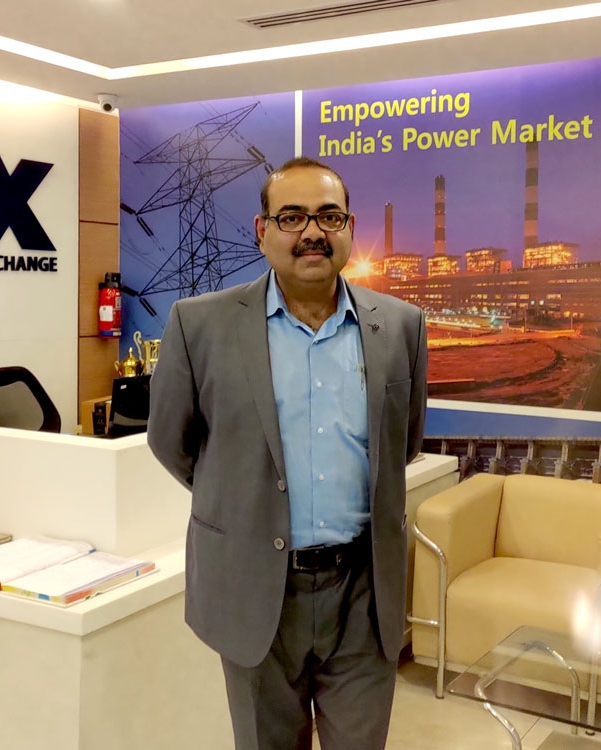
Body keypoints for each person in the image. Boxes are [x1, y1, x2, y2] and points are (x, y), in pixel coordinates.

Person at [146, 156, 427, 750]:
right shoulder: (199, 325)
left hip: (363, 593)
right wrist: (243, 493)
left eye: (329, 216)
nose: (312, 232)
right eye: (292, 216)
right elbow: (171, 442)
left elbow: (402, 445)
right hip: (254, 592)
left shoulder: (402, 326)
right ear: (262, 229)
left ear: (349, 227)